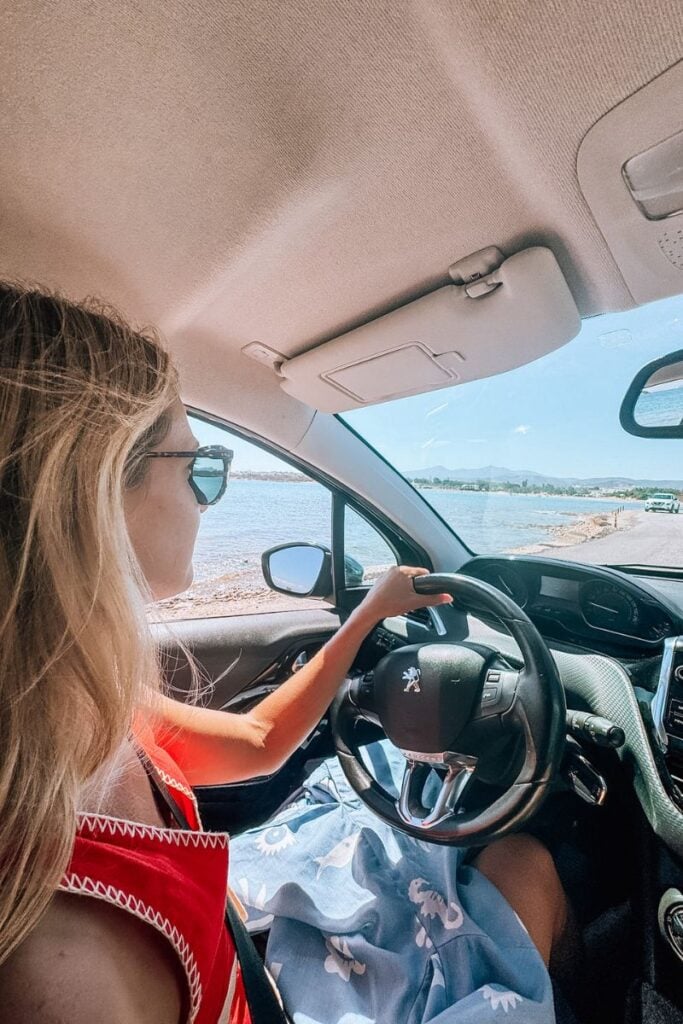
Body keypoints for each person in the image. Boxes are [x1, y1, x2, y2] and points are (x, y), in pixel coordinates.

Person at [0, 281, 572, 1023]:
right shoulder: (67, 976)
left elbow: (257, 743)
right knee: (525, 869)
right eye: (199, 468)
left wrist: (367, 612)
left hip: (248, 963)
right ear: (95, 484)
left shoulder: (72, 699)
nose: (207, 500)